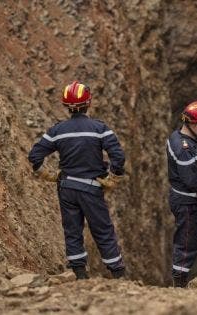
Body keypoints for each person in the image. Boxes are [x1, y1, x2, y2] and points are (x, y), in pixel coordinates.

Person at [28, 81, 126, 280]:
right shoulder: (99, 129)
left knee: (72, 230)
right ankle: (118, 274)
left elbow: (35, 155)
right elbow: (118, 155)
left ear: (66, 105)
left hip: (66, 187)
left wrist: (45, 174)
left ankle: (79, 274)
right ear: (88, 103)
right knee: (103, 230)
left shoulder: (57, 131)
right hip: (91, 188)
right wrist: (113, 176)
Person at [166, 101, 197, 288]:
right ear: (195, 124)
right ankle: (179, 282)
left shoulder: (183, 141)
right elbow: (192, 180)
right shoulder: (184, 148)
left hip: (196, 201)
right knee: (187, 241)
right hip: (188, 202)